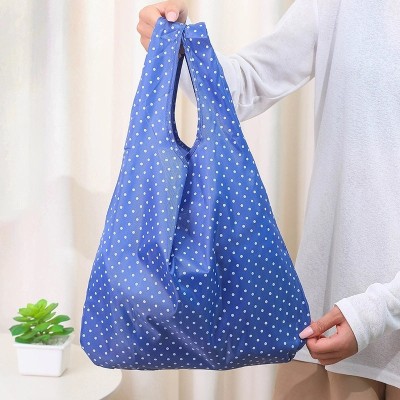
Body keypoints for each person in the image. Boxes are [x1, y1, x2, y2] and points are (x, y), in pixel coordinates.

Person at [137, 1, 400, 398]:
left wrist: (377, 313)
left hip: (369, 319)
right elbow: (248, 82)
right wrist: (181, 49)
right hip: (329, 318)